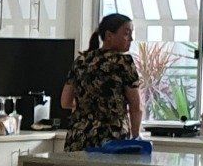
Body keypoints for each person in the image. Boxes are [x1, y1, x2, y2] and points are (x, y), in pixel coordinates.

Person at [61, 12, 143, 150]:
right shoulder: (123, 62)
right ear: (109, 36)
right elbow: (136, 107)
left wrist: (88, 107)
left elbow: (65, 102)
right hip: (111, 139)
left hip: (78, 138)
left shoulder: (81, 61)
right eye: (126, 33)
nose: (131, 39)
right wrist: (136, 136)